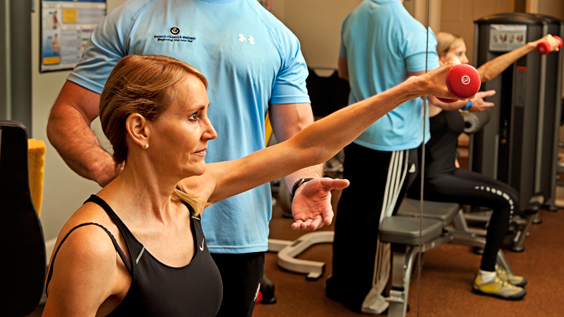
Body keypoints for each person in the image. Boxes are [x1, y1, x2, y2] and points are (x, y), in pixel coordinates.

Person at [46, 0, 322, 316]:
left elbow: (298, 137)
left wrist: (304, 183)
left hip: (236, 232)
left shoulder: (278, 37)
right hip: (143, 230)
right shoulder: (133, 19)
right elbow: (67, 114)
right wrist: (108, 170)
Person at [43, 54, 463, 317]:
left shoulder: (189, 194)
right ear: (140, 129)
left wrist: (415, 88)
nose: (211, 132)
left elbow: (307, 146)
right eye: (194, 117)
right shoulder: (93, 245)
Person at [327, 0, 441, 314]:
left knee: (352, 208)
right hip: (394, 140)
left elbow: (344, 74)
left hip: (357, 132)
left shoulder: (354, 15)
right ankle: (371, 295)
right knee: (381, 217)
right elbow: (431, 94)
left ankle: (341, 283)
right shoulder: (413, 30)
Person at [408, 31, 561, 300]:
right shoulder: (434, 92)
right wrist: (468, 102)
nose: (465, 59)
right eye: (459, 54)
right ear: (440, 58)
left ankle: (490, 271)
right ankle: (486, 276)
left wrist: (529, 47)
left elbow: (485, 73)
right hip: (431, 181)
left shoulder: (450, 87)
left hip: (447, 171)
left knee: (510, 195)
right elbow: (444, 100)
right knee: (505, 201)